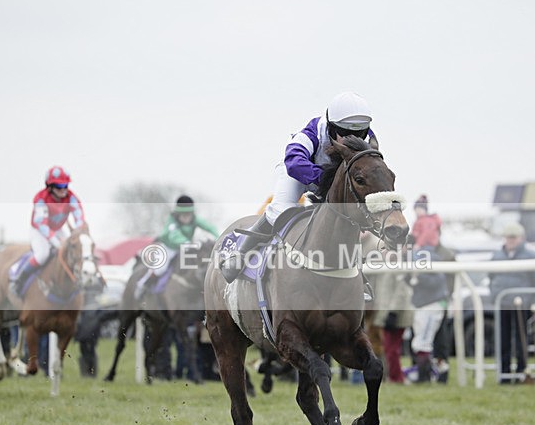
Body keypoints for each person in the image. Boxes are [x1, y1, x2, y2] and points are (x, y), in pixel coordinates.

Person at [220, 91, 378, 282]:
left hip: (334, 180)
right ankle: (240, 254)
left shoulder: (369, 138)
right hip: (298, 175)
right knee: (279, 211)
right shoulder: (312, 132)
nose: (353, 138)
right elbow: (294, 162)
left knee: (349, 217)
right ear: (330, 126)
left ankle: (356, 275)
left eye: (360, 132)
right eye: (344, 132)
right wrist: (325, 179)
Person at [11, 166, 86, 298]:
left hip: (57, 229)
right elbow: (41, 224)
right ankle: (19, 280)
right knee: (43, 254)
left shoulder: (71, 197)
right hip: (39, 231)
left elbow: (79, 216)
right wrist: (56, 242)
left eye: (65, 185)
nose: (63, 189)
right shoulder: (41, 198)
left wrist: (78, 232)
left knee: (71, 252)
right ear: (50, 187)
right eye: (59, 186)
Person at [488, 222, 535, 384]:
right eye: (508, 237)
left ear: (521, 238)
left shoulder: (532, 257)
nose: (510, 240)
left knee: (521, 340)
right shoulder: (497, 256)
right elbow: (491, 278)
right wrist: (494, 296)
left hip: (523, 305)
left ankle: (523, 372)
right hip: (503, 304)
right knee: (503, 340)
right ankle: (505, 374)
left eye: (513, 237)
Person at [134, 195, 218, 300]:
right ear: (178, 214)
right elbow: (174, 236)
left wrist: (219, 237)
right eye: (183, 215)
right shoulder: (172, 221)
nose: (186, 218)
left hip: (185, 247)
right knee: (160, 268)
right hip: (169, 247)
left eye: (188, 215)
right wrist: (187, 243)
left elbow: (210, 227)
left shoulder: (195, 219)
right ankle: (143, 285)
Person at [407, 245, 450, 383]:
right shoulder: (419, 258)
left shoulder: (433, 262)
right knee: (419, 343)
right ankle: (427, 373)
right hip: (422, 306)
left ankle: (425, 376)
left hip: (431, 306)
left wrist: (418, 276)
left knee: (424, 343)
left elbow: (434, 283)